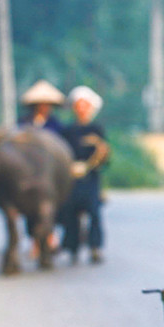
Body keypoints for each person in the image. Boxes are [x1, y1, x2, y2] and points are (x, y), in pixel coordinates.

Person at [59, 85, 110, 264]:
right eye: (78, 105)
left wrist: (92, 163)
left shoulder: (96, 130)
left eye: (84, 105)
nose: (81, 108)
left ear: (90, 107)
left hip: (90, 177)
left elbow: (104, 155)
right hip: (71, 178)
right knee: (70, 212)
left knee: (94, 212)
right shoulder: (67, 131)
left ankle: (95, 247)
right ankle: (72, 247)